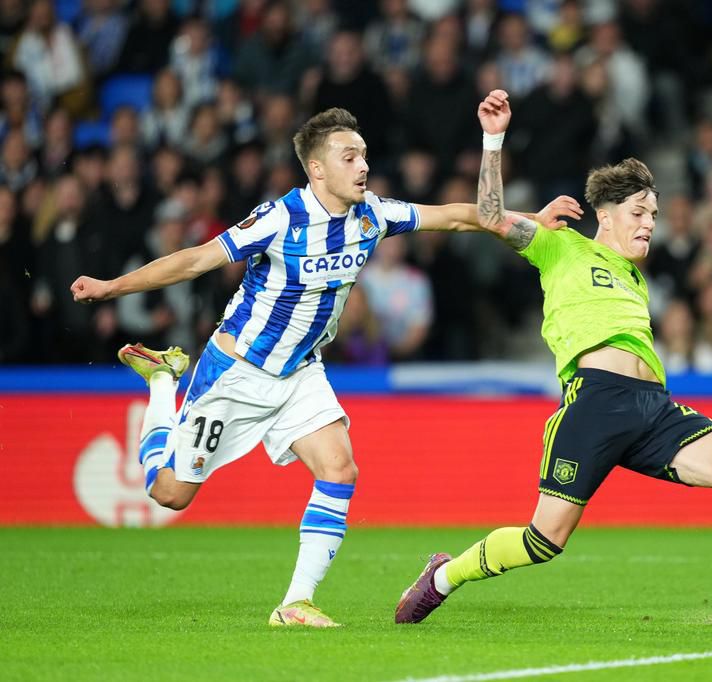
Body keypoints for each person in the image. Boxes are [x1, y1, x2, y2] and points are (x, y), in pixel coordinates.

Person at [69, 107, 577, 629]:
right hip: (237, 372)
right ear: (317, 169)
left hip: (300, 374)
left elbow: (455, 215)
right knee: (169, 494)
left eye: (364, 156)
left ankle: (296, 602)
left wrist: (531, 219)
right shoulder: (278, 218)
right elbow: (196, 260)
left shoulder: (372, 215)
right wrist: (111, 286)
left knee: (340, 468)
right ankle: (161, 382)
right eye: (349, 157)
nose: (363, 167)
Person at [394, 90, 712, 626]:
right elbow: (485, 216)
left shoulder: (634, 278)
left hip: (655, 408)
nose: (650, 222)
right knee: (543, 540)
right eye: (639, 212)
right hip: (594, 405)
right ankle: (442, 575)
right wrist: (493, 139)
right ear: (604, 214)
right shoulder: (561, 246)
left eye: (654, 213)